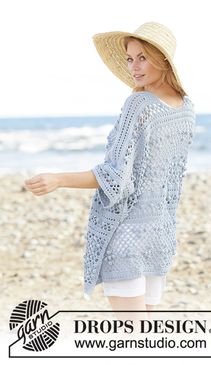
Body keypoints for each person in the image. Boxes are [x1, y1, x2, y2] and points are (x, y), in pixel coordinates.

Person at [24, 22, 196, 324]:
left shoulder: (139, 104)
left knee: (130, 341)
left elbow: (116, 179)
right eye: (130, 59)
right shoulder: (186, 108)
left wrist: (58, 179)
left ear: (163, 59)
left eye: (142, 57)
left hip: (127, 235)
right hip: (160, 236)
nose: (134, 66)